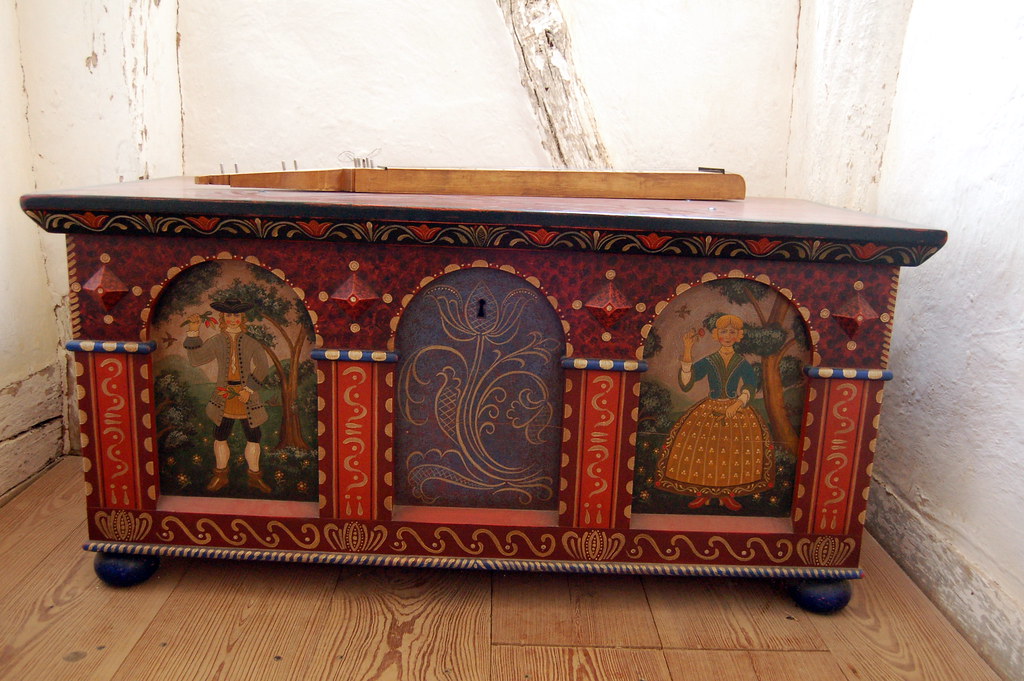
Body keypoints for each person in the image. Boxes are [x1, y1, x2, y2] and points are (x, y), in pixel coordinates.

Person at [655, 314, 774, 511]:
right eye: (724, 331)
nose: (728, 336)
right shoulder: (709, 361)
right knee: (703, 449)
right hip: (710, 407)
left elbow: (751, 386)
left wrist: (737, 404)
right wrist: (687, 349)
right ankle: (703, 493)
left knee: (731, 452)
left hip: (736, 408)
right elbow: (686, 384)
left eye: (732, 332)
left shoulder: (741, 362)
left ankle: (728, 494)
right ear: (716, 335)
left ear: (739, 336)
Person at [184, 298, 272, 494]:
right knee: (221, 435)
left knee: (254, 436)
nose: (233, 319)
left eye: (236, 315)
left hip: (246, 397)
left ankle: (255, 478)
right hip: (224, 396)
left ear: (242, 318)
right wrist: (193, 330)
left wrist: (248, 390)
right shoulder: (216, 341)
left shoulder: (250, 342)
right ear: (223, 318)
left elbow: (263, 366)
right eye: (229, 315)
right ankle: (221, 476)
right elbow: (196, 359)